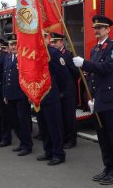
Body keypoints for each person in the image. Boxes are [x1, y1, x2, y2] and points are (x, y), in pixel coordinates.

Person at [73, 15, 113, 185]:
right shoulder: (95, 49)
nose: (97, 31)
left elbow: (107, 68)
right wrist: (92, 97)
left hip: (111, 100)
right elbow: (92, 76)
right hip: (99, 100)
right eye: (95, 28)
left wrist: (84, 63)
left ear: (108, 30)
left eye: (100, 28)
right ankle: (108, 167)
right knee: (103, 137)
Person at [36, 33, 68, 166]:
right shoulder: (35, 54)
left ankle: (58, 153)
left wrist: (58, 91)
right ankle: (48, 151)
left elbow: (63, 74)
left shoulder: (53, 53)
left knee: (54, 126)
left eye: (42, 37)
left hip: (51, 95)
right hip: (39, 96)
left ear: (47, 39)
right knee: (43, 126)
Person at [3, 33, 33, 156]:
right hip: (10, 94)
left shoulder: (25, 57)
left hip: (22, 95)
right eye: (11, 44)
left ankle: (27, 145)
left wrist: (30, 94)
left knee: (23, 121)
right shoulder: (7, 58)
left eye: (15, 44)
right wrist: (5, 94)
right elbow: (5, 77)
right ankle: (22, 142)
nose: (13, 46)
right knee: (14, 121)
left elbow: (29, 76)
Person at [50, 32, 79, 149]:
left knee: (69, 117)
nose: (53, 44)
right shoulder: (53, 55)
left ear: (61, 42)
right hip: (58, 90)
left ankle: (71, 139)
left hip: (68, 91)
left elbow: (75, 73)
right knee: (60, 116)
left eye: (55, 42)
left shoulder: (68, 55)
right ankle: (63, 138)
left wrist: (68, 87)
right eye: (52, 42)